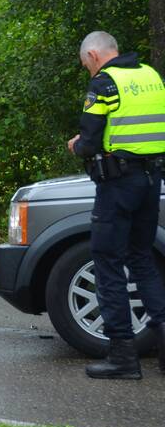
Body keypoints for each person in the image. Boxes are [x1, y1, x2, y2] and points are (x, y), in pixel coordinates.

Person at [67, 31, 165, 379]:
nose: (88, 72)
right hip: (152, 180)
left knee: (107, 263)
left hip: (118, 184)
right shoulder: (151, 76)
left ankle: (123, 356)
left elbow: (91, 141)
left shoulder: (104, 84)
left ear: (93, 55)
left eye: (86, 66)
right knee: (142, 259)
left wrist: (77, 146)